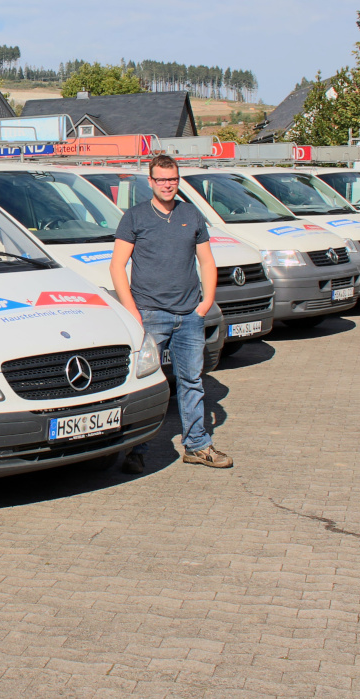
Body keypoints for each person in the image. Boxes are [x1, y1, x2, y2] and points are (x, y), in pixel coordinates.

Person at [110, 155, 233, 473]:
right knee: (145, 383)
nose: (167, 185)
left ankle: (197, 445)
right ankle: (136, 449)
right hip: (150, 314)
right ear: (150, 181)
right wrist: (133, 311)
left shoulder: (191, 214)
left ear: (178, 180)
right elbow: (117, 266)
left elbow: (207, 261)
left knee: (192, 381)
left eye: (173, 179)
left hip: (189, 315)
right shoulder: (134, 217)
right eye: (162, 179)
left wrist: (206, 303)